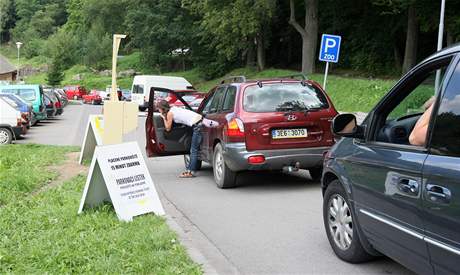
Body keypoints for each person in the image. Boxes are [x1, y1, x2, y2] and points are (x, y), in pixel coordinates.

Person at [157, 100, 218, 178]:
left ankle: (191, 172)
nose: (158, 111)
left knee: (193, 150)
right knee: (195, 148)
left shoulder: (169, 114)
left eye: (159, 109)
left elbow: (168, 128)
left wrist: (163, 118)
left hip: (197, 126)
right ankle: (191, 169)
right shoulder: (174, 108)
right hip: (200, 121)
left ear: (162, 109)